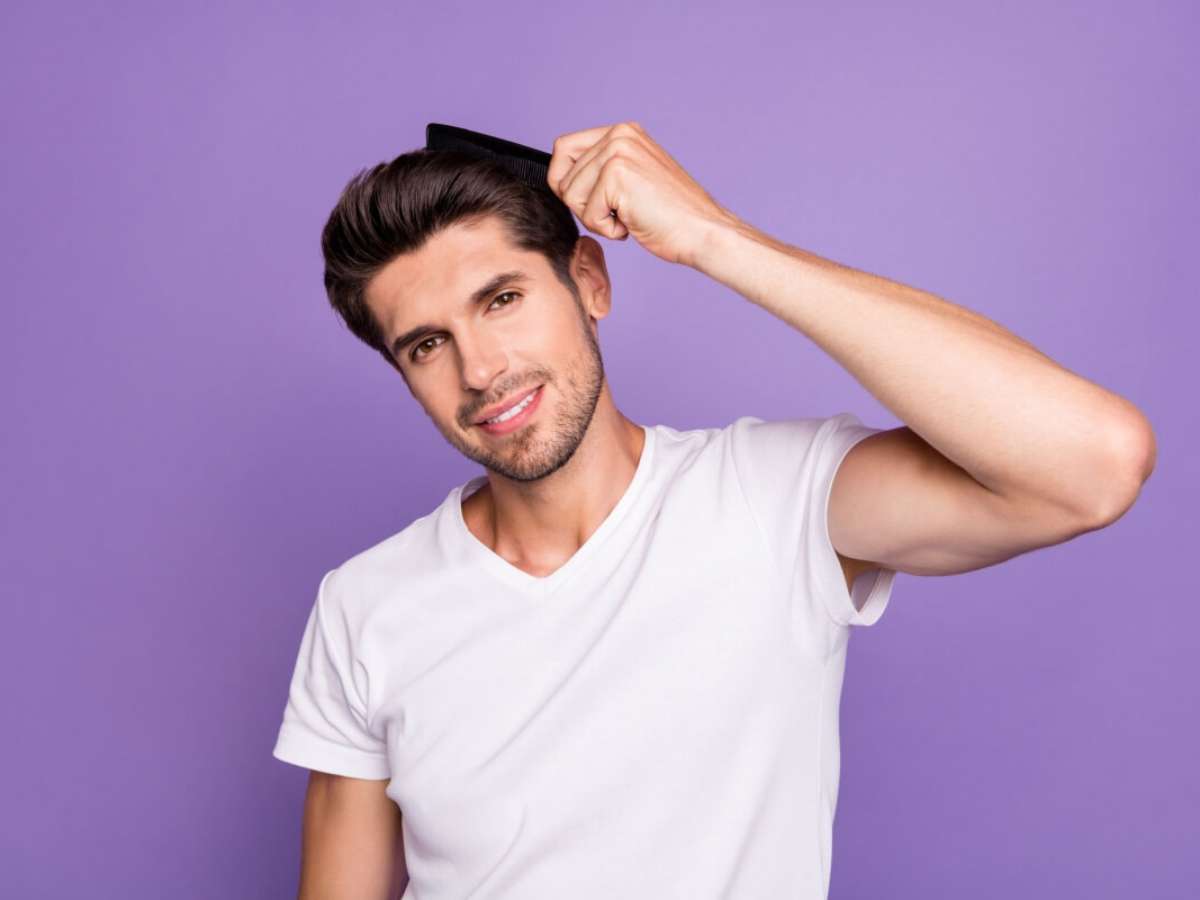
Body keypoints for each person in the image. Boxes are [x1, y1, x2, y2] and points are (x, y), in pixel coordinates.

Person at [272, 122, 1156, 899]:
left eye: (502, 300)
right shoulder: (365, 604)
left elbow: (1094, 466)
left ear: (589, 282)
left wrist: (713, 237)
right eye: (428, 345)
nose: (480, 370)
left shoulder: (775, 501)